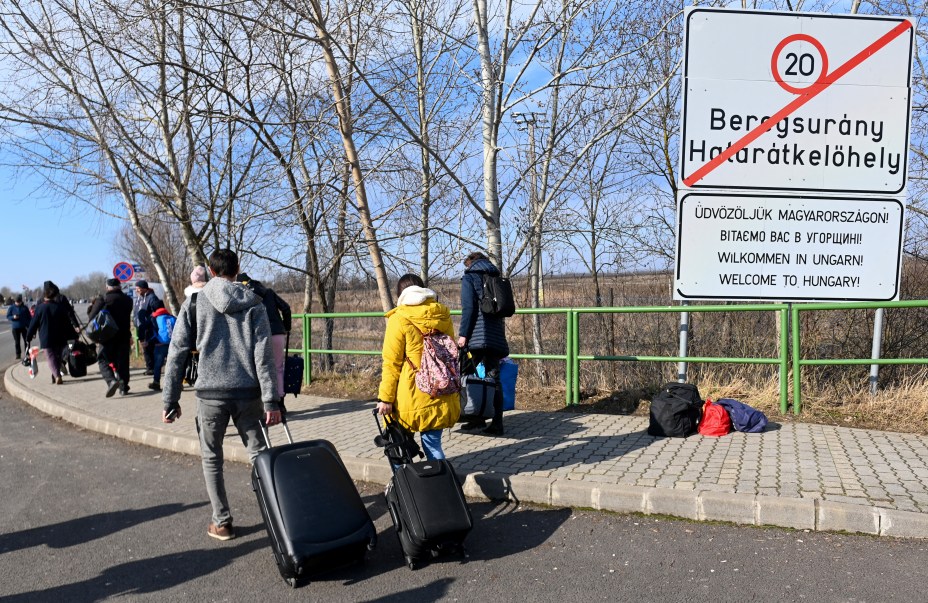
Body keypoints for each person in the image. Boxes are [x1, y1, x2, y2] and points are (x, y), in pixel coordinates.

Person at [161, 248, 281, 542]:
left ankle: (222, 522)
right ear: (237, 269)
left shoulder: (194, 303)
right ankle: (279, 517)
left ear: (212, 272)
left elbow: (176, 352)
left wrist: (170, 399)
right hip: (249, 393)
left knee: (211, 457)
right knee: (260, 455)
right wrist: (271, 400)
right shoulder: (255, 303)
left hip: (210, 395)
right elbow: (263, 356)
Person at [376, 274, 461, 461]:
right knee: (433, 446)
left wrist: (386, 398)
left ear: (400, 294)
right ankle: (443, 485)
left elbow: (392, 363)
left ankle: (404, 486)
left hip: (410, 394)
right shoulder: (442, 314)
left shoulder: (399, 318)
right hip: (441, 389)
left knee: (399, 448)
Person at [457, 251, 510, 436]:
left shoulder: (470, 278)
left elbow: (469, 309)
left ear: (470, 263)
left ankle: (476, 418)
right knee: (493, 379)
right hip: (495, 336)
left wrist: (463, 335)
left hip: (477, 338)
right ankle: (497, 423)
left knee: (470, 375)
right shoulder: (494, 276)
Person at [236, 272, 292, 411]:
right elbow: (286, 308)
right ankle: (280, 402)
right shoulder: (269, 292)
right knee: (278, 368)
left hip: (258, 335)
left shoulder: (245, 295)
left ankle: (264, 401)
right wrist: (286, 327)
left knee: (260, 368)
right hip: (277, 333)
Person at [25, 281, 79, 385]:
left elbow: (33, 323)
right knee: (58, 357)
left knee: (50, 356)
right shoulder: (60, 307)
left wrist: (29, 336)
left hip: (46, 337)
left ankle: (57, 375)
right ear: (54, 296)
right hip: (60, 336)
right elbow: (67, 323)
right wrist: (74, 334)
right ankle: (55, 375)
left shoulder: (40, 308)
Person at [88, 279, 134, 397]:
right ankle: (124, 388)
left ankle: (111, 380)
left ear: (108, 287)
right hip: (123, 335)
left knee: (102, 360)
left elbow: (92, 317)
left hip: (107, 336)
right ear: (119, 286)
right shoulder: (128, 300)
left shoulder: (104, 300)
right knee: (123, 362)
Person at [133, 280, 164, 376]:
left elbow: (158, 311)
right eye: (136, 288)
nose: (136, 290)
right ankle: (150, 367)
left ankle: (153, 368)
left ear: (144, 288)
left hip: (151, 328)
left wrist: (150, 321)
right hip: (142, 327)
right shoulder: (139, 299)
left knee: (150, 348)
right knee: (146, 348)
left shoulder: (152, 298)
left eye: (138, 288)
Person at [147, 307, 175, 392]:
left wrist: (149, 341)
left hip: (160, 344)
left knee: (158, 365)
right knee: (174, 364)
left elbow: (152, 332)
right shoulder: (173, 318)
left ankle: (156, 383)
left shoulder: (155, 319)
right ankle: (177, 384)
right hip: (173, 345)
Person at [7, 294, 31, 360]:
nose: (17, 303)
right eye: (16, 302)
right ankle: (18, 354)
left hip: (24, 327)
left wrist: (29, 326)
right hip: (15, 327)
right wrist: (13, 317)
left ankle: (27, 353)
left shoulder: (25, 308)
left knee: (27, 341)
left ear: (21, 301)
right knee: (17, 342)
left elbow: (29, 317)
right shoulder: (11, 307)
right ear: (15, 301)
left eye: (19, 302)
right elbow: (8, 316)